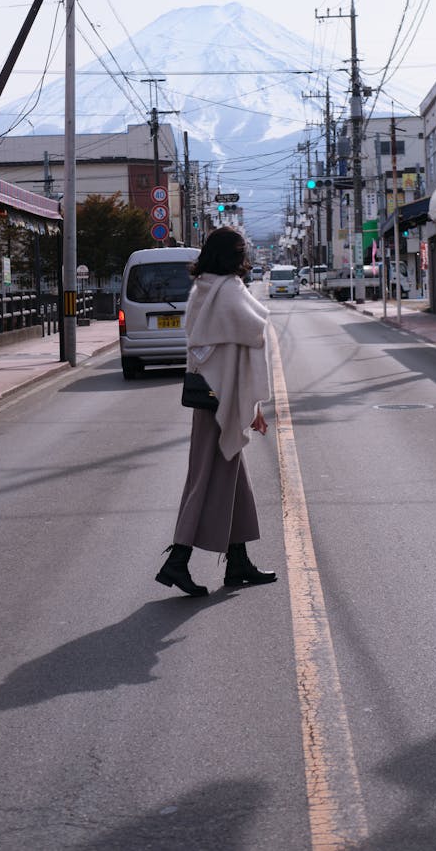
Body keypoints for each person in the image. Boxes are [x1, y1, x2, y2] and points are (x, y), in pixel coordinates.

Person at [156, 227, 277, 597]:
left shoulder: (203, 287)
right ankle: (177, 560)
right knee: (205, 479)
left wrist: (249, 405)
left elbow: (219, 344)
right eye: (243, 251)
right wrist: (251, 404)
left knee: (233, 479)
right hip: (220, 397)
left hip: (210, 394)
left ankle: (238, 561)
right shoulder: (227, 290)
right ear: (233, 256)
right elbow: (255, 327)